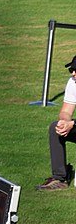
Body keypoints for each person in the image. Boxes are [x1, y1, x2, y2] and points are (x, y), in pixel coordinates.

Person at [38, 55, 76, 190]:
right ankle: (60, 178)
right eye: (71, 70)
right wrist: (64, 122)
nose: (73, 73)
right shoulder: (73, 83)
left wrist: (72, 124)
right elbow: (65, 111)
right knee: (55, 127)